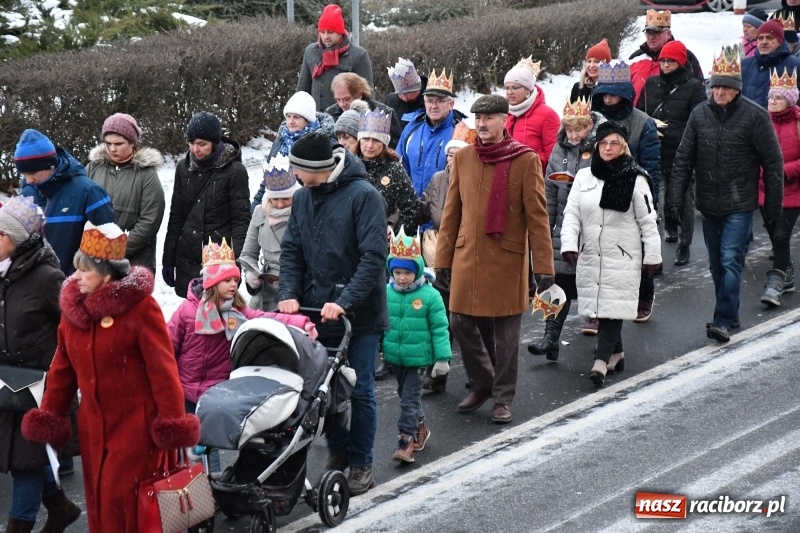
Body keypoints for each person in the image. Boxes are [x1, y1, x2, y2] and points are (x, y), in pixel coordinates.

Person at [22, 221, 200, 532]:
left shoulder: (141, 309)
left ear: (106, 275)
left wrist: (172, 423)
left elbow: (163, 370)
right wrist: (50, 415)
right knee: (100, 504)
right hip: (93, 429)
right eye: (76, 270)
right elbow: (61, 372)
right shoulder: (73, 316)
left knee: (127, 506)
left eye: (85, 271)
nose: (75, 278)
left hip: (136, 429)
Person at [278, 131, 388, 495]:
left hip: (359, 313)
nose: (292, 173)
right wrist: (290, 293)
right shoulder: (303, 198)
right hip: (315, 307)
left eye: (297, 168)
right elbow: (292, 250)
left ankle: (361, 462)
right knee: (324, 390)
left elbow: (373, 258)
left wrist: (346, 300)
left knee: (360, 390)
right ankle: (337, 452)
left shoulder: (364, 196)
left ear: (316, 168)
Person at [435, 94, 554, 425]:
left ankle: (502, 398)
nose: (483, 124)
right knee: (459, 321)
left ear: (505, 121)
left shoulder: (526, 160)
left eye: (489, 118)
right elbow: (451, 213)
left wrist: (544, 266)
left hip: (507, 257)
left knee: (506, 336)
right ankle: (484, 382)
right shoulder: (465, 159)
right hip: (467, 256)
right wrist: (442, 260)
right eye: (478, 119)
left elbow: (538, 217)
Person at [168, 238, 316, 473]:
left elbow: (267, 317)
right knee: (187, 442)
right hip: (185, 388)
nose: (233, 285)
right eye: (227, 280)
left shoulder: (237, 312)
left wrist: (301, 322)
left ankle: (212, 482)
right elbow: (168, 346)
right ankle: (188, 485)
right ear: (212, 282)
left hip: (215, 389)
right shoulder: (187, 311)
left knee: (209, 441)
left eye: (236, 280)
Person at [668, 46, 784, 343]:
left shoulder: (755, 117)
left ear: (736, 90)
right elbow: (683, 159)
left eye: (725, 86)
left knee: (731, 259)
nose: (719, 91)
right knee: (716, 264)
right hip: (708, 203)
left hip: (739, 203)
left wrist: (773, 206)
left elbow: (772, 163)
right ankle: (730, 313)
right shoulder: (699, 115)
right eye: (715, 85)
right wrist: (675, 200)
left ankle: (721, 318)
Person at [560, 122, 661, 388]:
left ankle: (600, 362)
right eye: (603, 143)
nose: (607, 148)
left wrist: (652, 256)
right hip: (591, 252)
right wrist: (569, 244)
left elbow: (648, 221)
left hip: (623, 255)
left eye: (613, 143)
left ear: (623, 146)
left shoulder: (636, 178)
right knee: (602, 306)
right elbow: (571, 215)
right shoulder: (584, 177)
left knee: (612, 307)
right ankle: (616, 353)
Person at [0, 197, 77, 533]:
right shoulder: (3, 273)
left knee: (26, 464)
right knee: (27, 457)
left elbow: (74, 327)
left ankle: (20, 526)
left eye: (0, 234)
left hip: (41, 388)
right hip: (6, 385)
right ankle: (60, 507)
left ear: (18, 238)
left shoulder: (48, 277)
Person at [527, 98, 606, 359]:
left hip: (592, 223)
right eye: (570, 130)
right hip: (564, 223)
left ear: (589, 126)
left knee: (592, 281)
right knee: (558, 281)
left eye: (579, 130)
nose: (573, 135)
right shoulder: (559, 151)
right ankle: (551, 337)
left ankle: (606, 340)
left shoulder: (600, 148)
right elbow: (549, 191)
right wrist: (546, 227)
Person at [591, 60, 661, 325]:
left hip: (633, 191)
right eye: (604, 93)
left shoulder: (643, 124)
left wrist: (653, 204)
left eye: (614, 93)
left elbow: (652, 167)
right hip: (599, 192)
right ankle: (600, 309)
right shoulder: (594, 120)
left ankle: (644, 295)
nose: (608, 99)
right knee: (600, 253)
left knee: (638, 251)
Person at [162, 111, 251, 298]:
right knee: (190, 318)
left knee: (218, 316)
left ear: (215, 143)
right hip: (187, 255)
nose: (195, 149)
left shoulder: (235, 172)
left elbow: (241, 220)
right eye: (191, 143)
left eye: (202, 144)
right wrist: (168, 260)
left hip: (219, 257)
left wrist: (237, 263)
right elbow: (176, 215)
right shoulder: (183, 168)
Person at [636, 40, 707, 266]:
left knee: (684, 198)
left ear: (681, 62)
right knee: (656, 197)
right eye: (663, 60)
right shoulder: (651, 83)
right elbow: (639, 112)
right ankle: (664, 233)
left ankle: (684, 245)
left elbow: (700, 120)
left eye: (671, 61)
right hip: (654, 149)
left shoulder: (694, 87)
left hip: (682, 151)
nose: (665, 64)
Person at [383, 230, 450, 463]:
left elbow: (440, 328)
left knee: (409, 399)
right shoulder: (386, 292)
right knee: (405, 396)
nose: (402, 278)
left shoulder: (430, 296)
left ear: (418, 270)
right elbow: (381, 323)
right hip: (396, 357)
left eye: (408, 272)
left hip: (420, 358)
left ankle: (405, 440)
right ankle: (421, 427)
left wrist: (442, 358)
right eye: (398, 272)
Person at [16, 129, 115, 276]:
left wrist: (73, 282)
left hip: (75, 289)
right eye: (24, 174)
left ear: (50, 165)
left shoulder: (89, 192)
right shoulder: (26, 195)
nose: (28, 180)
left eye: (32, 172)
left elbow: (106, 249)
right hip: (33, 292)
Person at [86, 113, 165, 273]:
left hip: (134, 262)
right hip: (93, 259)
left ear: (132, 143)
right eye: (108, 143)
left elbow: (149, 221)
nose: (112, 148)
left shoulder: (147, 174)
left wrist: (117, 249)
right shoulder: (92, 168)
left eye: (118, 143)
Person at [251, 91, 336, 212]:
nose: (291, 121)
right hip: (279, 204)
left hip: (309, 207)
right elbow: (270, 177)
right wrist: (254, 209)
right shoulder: (281, 140)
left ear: (308, 119)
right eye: (288, 116)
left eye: (296, 117)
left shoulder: (322, 142)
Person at [759, 67, 800, 307]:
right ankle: (788, 274)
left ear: (790, 100)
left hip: (793, 190)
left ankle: (775, 283)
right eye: (771, 97)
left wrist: (784, 170)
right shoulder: (761, 120)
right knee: (775, 236)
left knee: (782, 236)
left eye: (778, 97)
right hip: (766, 190)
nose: (772, 101)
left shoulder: (797, 122)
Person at [397, 68, 467, 200]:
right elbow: (399, 169)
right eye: (429, 101)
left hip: (443, 215)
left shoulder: (460, 134)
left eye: (440, 101)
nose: (433, 106)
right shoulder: (411, 128)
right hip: (412, 212)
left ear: (451, 104)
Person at [242, 159, 301, 311]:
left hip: (299, 292)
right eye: (275, 199)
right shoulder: (259, 213)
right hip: (266, 294)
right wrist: (252, 276)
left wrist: (291, 281)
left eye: (286, 198)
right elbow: (248, 254)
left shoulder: (305, 213)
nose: (280, 204)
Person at [357, 106, 423, 235]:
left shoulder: (394, 170)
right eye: (365, 139)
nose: (370, 145)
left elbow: (412, 210)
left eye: (376, 140)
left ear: (384, 143)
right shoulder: (349, 168)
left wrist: (394, 232)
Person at [297, 4, 373, 111]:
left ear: (340, 32)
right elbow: (302, 90)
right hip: (316, 119)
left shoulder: (358, 55)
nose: (326, 36)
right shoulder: (310, 51)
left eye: (330, 32)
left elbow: (367, 94)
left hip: (344, 120)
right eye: (322, 32)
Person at [629, 9, 704, 105]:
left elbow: (698, 91)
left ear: (668, 34)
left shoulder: (686, 56)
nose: (651, 37)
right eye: (648, 32)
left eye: (656, 33)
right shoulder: (635, 58)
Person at [504, 57, 560, 169]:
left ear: (527, 89)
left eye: (515, 88)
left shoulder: (548, 115)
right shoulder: (505, 113)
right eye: (507, 88)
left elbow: (554, 155)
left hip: (535, 178)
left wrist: (531, 163)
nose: (510, 92)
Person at [324, 73, 402, 148]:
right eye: (338, 99)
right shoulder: (330, 114)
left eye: (347, 99)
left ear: (360, 94)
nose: (342, 104)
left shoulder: (383, 112)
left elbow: (395, 146)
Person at [742, 19, 800, 108]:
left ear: (780, 41)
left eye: (769, 38)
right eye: (760, 38)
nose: (764, 42)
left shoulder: (796, 65)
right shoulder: (745, 65)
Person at [384, 58, 427, 129]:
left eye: (408, 93)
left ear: (418, 88)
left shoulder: (431, 102)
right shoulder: (391, 101)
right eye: (400, 93)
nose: (404, 98)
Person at [570, 38, 612, 103]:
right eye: (589, 61)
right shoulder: (578, 87)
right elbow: (571, 111)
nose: (591, 65)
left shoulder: (612, 89)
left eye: (597, 61)